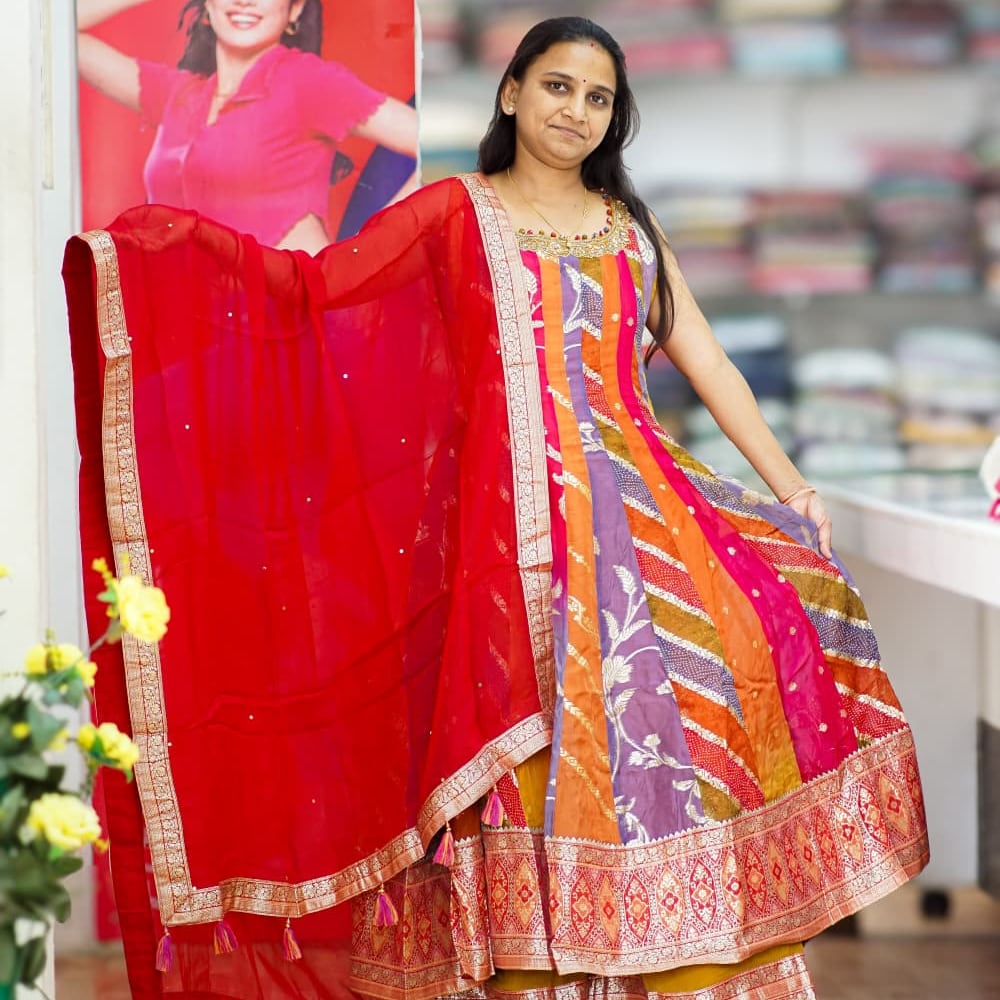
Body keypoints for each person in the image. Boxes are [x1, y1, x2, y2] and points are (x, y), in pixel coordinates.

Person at [64, 15, 929, 1000]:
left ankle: (675, 957)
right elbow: (320, 294)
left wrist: (792, 489)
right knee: (524, 762)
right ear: (512, 92)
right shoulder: (452, 214)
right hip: (496, 536)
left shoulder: (629, 230)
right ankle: (531, 972)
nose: (575, 111)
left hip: (648, 522)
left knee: (691, 722)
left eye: (597, 98)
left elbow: (709, 359)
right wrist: (162, 258)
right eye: (557, 86)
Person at [77, 0, 419, 252]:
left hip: (284, 326)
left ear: (295, 9)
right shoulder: (176, 94)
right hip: (191, 323)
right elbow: (58, 29)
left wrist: (368, 249)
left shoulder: (308, 83)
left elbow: (429, 137)